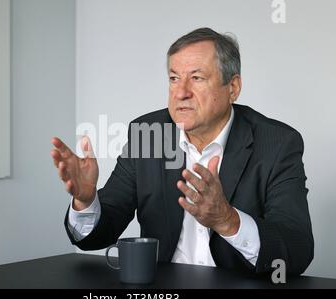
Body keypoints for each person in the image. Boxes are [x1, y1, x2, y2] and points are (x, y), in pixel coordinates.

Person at [51, 27, 314, 275]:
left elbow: (296, 252)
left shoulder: (277, 143)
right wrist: (86, 202)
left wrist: (227, 220)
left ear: (232, 88)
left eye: (197, 78)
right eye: (174, 79)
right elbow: (99, 234)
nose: (181, 93)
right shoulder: (148, 133)